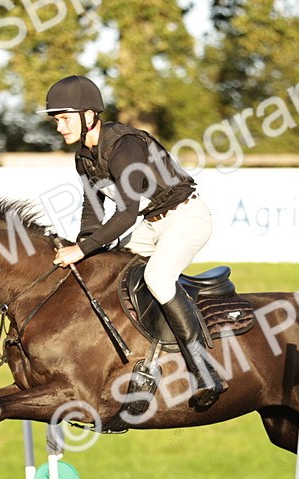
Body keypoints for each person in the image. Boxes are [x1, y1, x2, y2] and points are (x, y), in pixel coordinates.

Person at [39, 74, 226, 411]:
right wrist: (86, 249)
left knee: (156, 278)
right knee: (108, 271)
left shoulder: (126, 146)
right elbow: (92, 208)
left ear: (89, 115)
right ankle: (136, 362)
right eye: (56, 120)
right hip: (151, 225)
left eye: (64, 119)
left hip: (185, 218)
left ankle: (204, 370)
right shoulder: (84, 157)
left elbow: (125, 214)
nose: (59, 127)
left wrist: (81, 249)